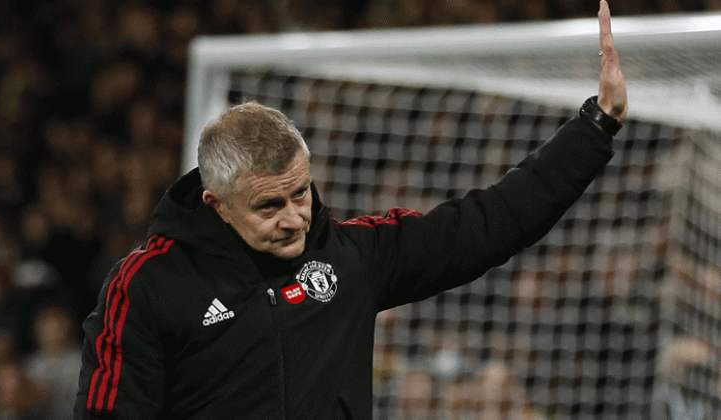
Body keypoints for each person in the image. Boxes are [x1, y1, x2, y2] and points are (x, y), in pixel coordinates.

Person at [73, 1, 627, 418]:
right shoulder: (148, 284)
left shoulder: (350, 255)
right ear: (216, 204)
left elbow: (489, 223)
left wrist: (596, 125)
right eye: (270, 205)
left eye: (301, 193)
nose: (294, 217)